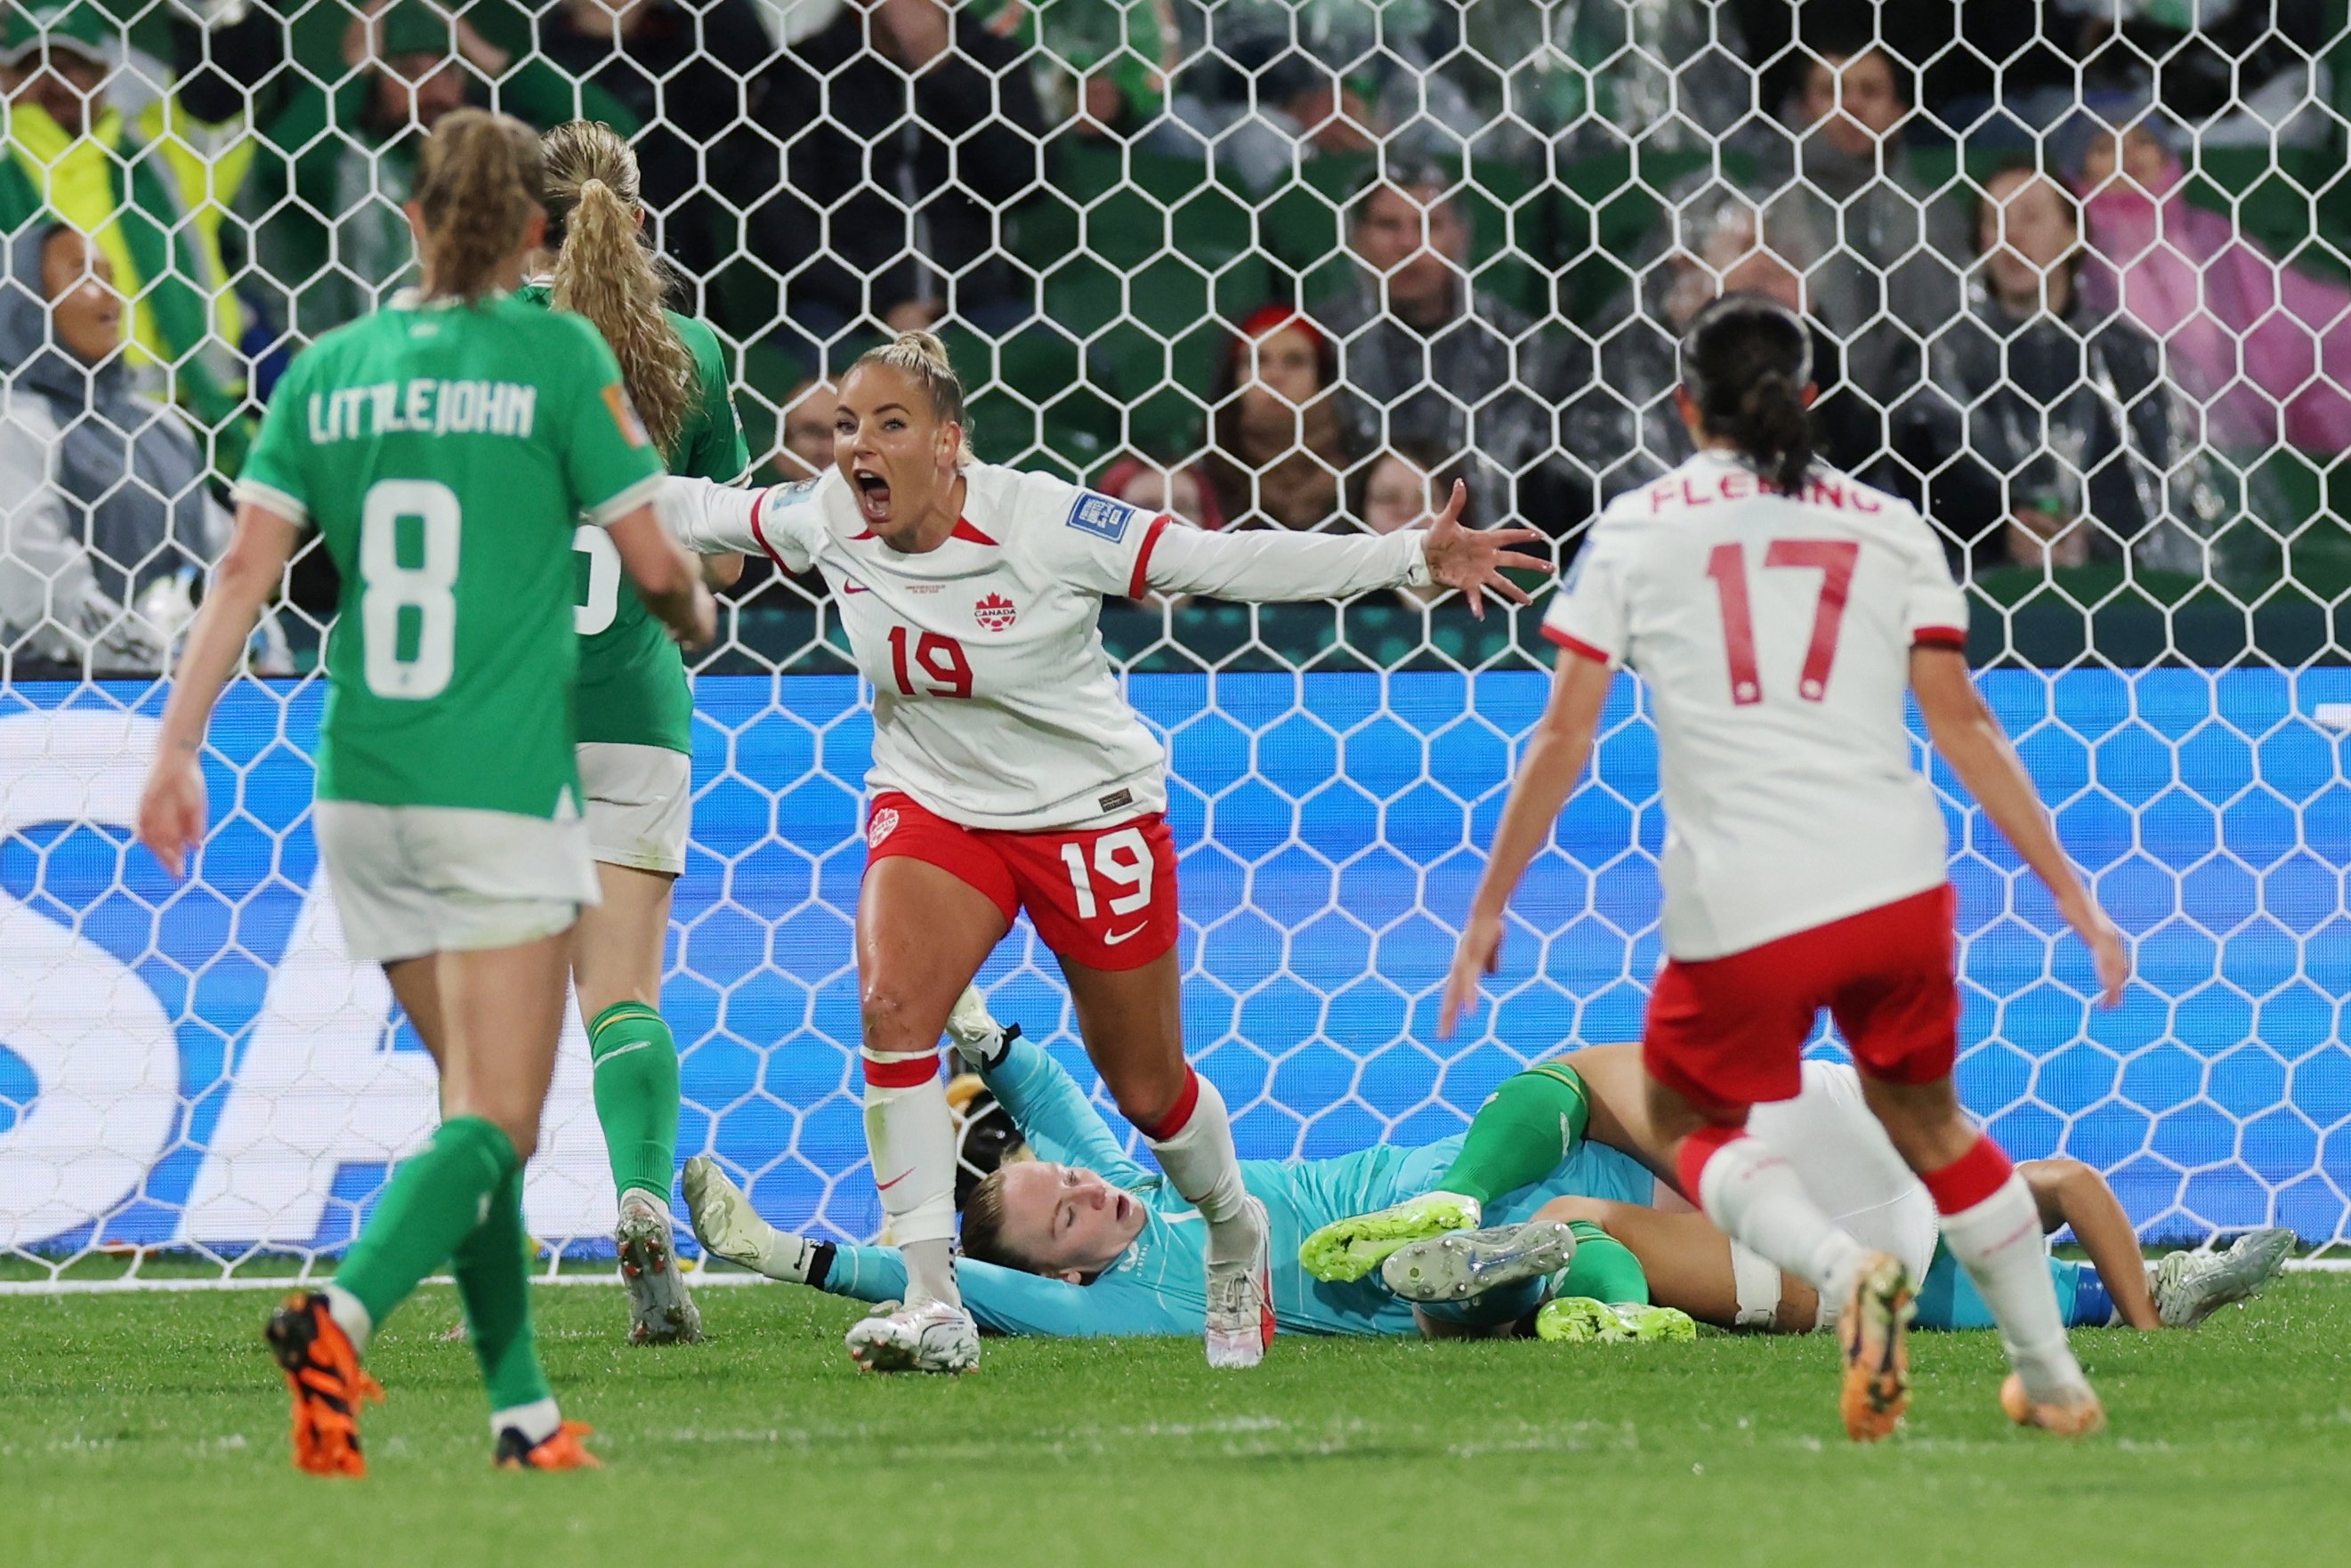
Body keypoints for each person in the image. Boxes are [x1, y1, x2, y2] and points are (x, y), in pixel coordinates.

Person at [654, 327, 1542, 1373]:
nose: (857, 448)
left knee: (1147, 1090)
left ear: (949, 443)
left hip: (1088, 813)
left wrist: (1405, 556)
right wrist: (554, 466)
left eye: (889, 425)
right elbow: (697, 509)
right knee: (894, 1012)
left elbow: (1221, 561)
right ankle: (932, 1301)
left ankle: (1230, 1225)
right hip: (936, 808)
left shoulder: (1046, 520)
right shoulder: (826, 519)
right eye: (847, 427)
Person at [133, 109, 714, 1476]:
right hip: (496, 785)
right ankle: (334, 1315)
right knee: (501, 1115)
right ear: (530, 233)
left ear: (406, 221)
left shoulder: (329, 371)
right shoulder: (560, 354)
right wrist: (691, 600)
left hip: (360, 779)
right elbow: (652, 562)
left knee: (470, 1100)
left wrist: (175, 745)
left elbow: (241, 579)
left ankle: (518, 1410)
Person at [1442, 291, 2130, 1441]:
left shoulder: (1639, 527)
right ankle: (2051, 1377)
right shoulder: (1888, 525)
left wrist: (1487, 906)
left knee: (1688, 1118)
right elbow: (1964, 727)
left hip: (1743, 894)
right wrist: (2073, 896)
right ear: (1809, 401)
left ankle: (1839, 1266)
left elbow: (1561, 737)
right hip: (1894, 881)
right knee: (1937, 1129)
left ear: (1680, 407)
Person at [681, 990, 1689, 1343]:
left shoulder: (1152, 1190)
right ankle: (1565, 1294)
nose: (1082, 1187)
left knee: (1522, 1235)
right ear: (1064, 1274)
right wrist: (784, 1253)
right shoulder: (1119, 1303)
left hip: (1407, 1188)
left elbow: (1058, 1109)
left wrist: (981, 1034)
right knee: (1539, 1256)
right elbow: (934, 1270)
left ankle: (1511, 1263)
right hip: (1406, 1273)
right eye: (1064, 1218)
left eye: (1067, 1181)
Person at [1307, 1044, 2295, 1338]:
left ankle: (1491, 1218)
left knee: (1577, 1129)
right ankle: (1601, 1311)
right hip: (1826, 1277)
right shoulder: (1977, 1263)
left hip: (1807, 1164)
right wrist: (2148, 1325)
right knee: (1579, 1223)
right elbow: (2073, 1187)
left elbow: (2069, 1185)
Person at [514, 118, 751, 1346]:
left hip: (500, 716)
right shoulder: (697, 353)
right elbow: (722, 550)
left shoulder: (479, 354)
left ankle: (488, 1268)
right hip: (636, 712)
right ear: (639, 214)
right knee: (624, 994)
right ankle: (644, 1193)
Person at [1897, 164, 2221, 575]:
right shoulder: (1936, 357)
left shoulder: (2129, 360)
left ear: (2073, 235)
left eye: (2030, 217)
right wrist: (2002, 529)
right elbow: (1918, 478)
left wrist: (2093, 537)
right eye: (1994, 222)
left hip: (2111, 590)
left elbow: (2160, 486)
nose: (2011, 237)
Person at [0, 223, 239, 677]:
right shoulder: (16, 425)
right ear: (28, 300)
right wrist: (156, 659)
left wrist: (257, 652)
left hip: (189, 696)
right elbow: (36, 586)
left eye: (111, 279)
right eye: (83, 277)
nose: (110, 300)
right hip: (61, 709)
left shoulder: (160, 425)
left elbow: (225, 557)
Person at [2, 2, 245, 432]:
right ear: (6, 82)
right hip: (43, 422)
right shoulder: (8, 170)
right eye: (35, 66)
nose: (55, 82)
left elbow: (223, 91)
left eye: (72, 65)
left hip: (195, 417)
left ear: (104, 74)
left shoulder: (164, 150)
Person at [2075, 116, 2351, 457]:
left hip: (2248, 418)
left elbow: (2290, 305)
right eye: (2105, 147)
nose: (2128, 155)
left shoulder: (2210, 234)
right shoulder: (2078, 252)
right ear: (2080, 169)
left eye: (2143, 141)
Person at [1313, 177, 1573, 527]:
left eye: (1429, 225)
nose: (1408, 244)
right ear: (1356, 237)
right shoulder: (1318, 342)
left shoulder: (1519, 345)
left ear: (1460, 237)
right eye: (1388, 225)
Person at [1192, 306, 1356, 534]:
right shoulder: (1202, 477)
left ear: (1322, 378)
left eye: (1295, 361)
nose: (1274, 376)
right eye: (1257, 361)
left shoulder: (1361, 472)